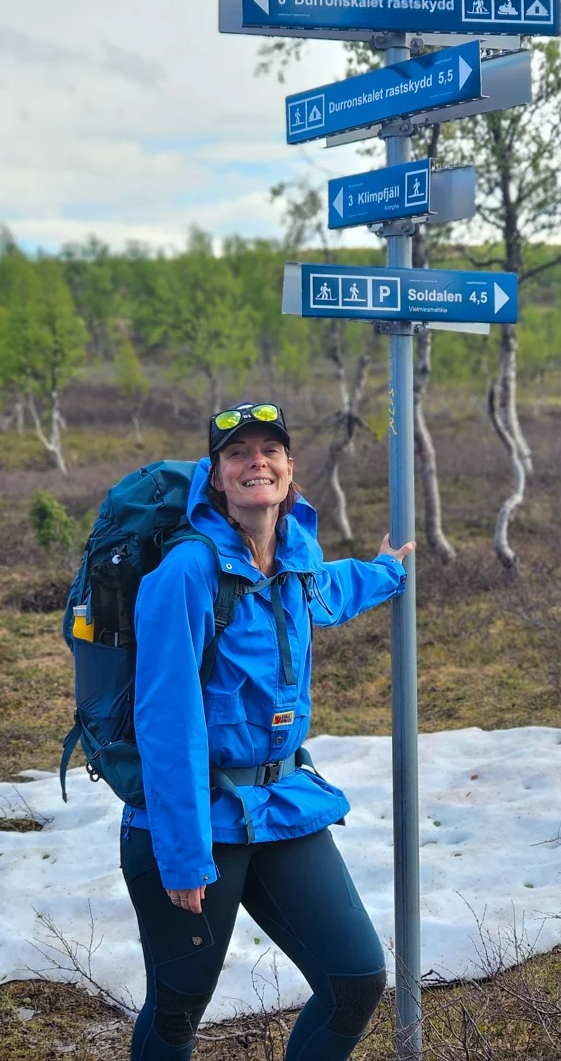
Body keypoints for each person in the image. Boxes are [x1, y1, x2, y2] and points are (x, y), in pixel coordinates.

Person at [120, 401, 415, 1061]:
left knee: (356, 980)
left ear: (288, 469)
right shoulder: (185, 574)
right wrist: (184, 853)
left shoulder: (293, 560)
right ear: (216, 478)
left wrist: (386, 570)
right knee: (178, 1011)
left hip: (279, 805)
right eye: (237, 453)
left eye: (270, 450)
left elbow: (324, 593)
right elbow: (166, 724)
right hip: (196, 819)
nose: (257, 460)